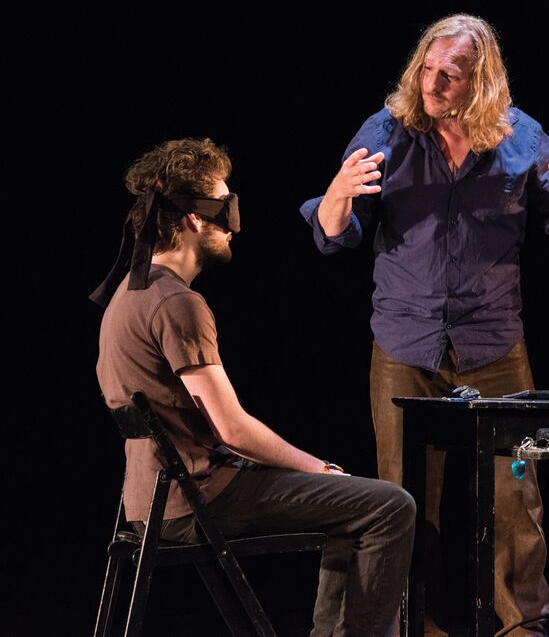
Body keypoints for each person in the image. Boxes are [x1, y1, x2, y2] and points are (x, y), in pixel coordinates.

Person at [300, 14, 549, 636]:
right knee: (403, 499)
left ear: (481, 81)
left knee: (516, 496)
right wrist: (335, 197)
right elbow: (335, 235)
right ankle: (411, 624)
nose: (433, 83)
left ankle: (523, 626)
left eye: (451, 74)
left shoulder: (523, 137)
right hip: (405, 341)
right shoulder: (386, 131)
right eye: (427, 68)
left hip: (493, 343)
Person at [93, 138, 415, 637]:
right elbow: (232, 429)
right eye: (224, 209)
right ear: (193, 219)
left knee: (353, 506)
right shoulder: (176, 303)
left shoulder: (129, 294)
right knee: (390, 506)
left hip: (150, 502)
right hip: (197, 497)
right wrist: (316, 467)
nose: (233, 226)